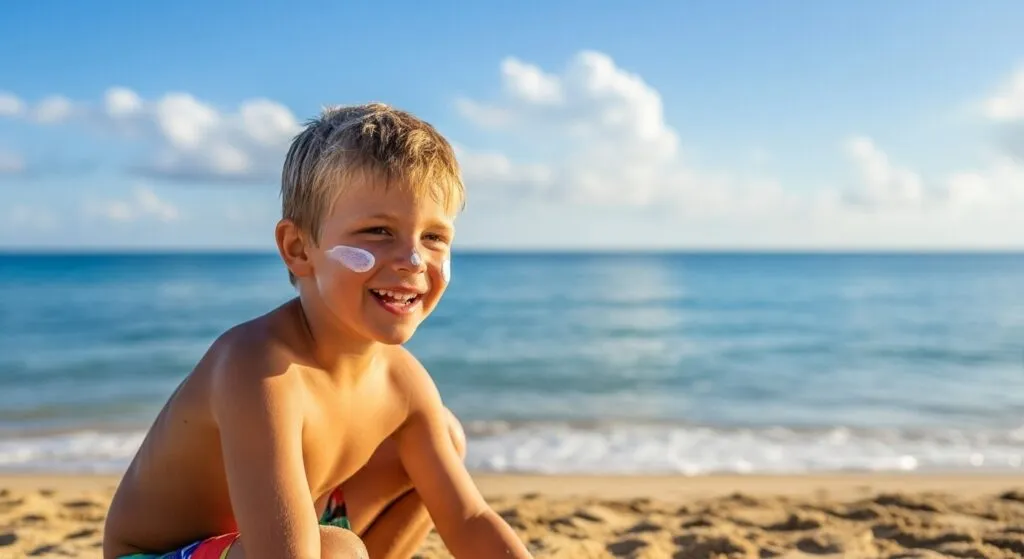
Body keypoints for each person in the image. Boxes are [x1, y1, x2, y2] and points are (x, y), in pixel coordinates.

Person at [103, 103, 533, 559]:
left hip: (267, 543)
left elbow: (468, 520)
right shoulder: (259, 367)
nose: (412, 260)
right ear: (298, 248)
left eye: (433, 237)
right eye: (378, 231)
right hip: (163, 553)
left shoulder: (403, 382)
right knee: (337, 550)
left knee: (442, 437)